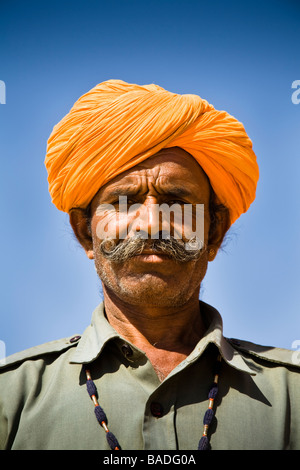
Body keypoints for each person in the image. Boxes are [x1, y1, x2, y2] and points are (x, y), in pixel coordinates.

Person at [0, 80, 299, 451]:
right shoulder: (11, 398)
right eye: (125, 200)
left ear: (215, 231)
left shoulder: (292, 396)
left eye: (176, 199)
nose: (151, 221)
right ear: (85, 233)